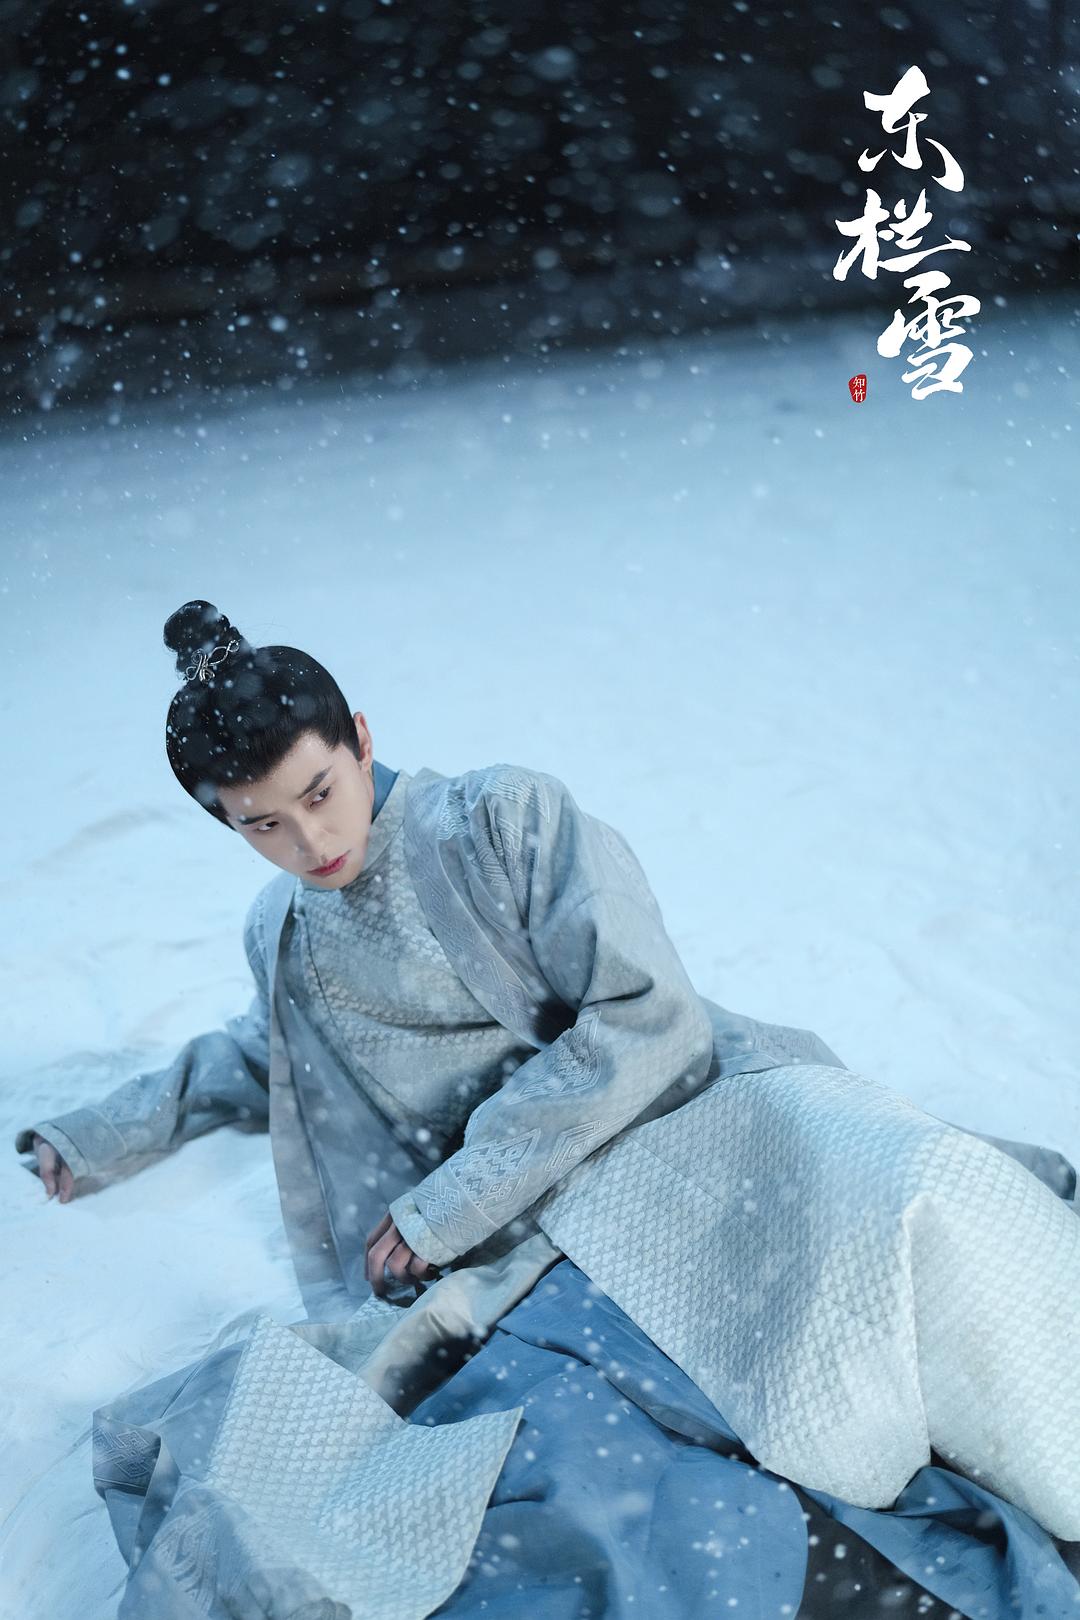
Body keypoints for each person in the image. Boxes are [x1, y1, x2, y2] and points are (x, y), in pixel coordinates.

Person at [16, 600, 1080, 1619]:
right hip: (552, 1226)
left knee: (920, 1204)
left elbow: (649, 1015)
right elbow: (263, 1055)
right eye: (262, 825)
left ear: (362, 738)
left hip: (695, 1110)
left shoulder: (498, 821)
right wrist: (97, 1136)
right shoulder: (284, 932)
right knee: (689, 1452)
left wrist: (451, 1202)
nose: (310, 839)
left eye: (321, 791)